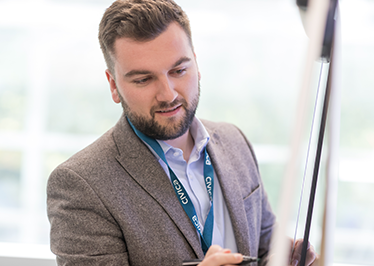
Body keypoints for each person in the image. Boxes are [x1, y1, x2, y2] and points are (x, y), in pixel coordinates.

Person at [47, 0, 318, 265]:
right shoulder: (80, 185)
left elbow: (264, 246)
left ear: (197, 66)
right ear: (114, 85)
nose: (168, 94)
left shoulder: (235, 141)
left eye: (179, 70)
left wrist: (287, 258)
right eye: (143, 79)